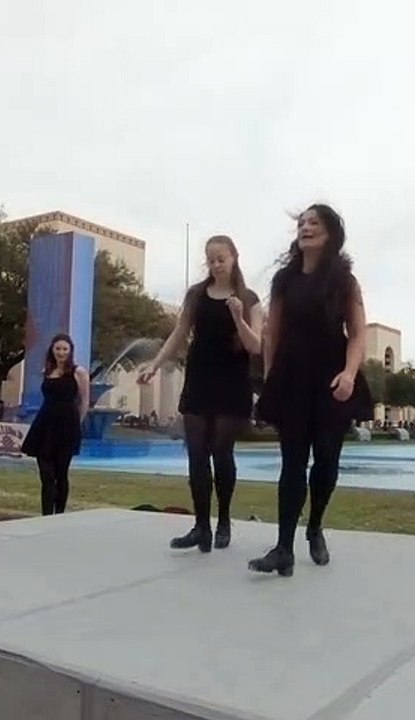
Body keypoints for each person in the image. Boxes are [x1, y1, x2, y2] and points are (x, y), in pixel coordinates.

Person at [250, 204, 374, 577]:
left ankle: (315, 526)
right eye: (301, 223)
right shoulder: (284, 280)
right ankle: (283, 547)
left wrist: (350, 374)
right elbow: (273, 334)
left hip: (333, 377)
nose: (305, 227)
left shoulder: (344, 280)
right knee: (291, 464)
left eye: (313, 223)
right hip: (292, 377)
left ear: (330, 233)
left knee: (326, 462)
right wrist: (271, 379)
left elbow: (358, 333)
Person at [138, 235, 263, 552]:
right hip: (200, 378)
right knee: (196, 454)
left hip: (232, 381)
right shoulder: (196, 295)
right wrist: (154, 364)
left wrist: (237, 316)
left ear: (234, 257)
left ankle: (223, 521)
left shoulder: (249, 299)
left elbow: (255, 346)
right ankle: (201, 526)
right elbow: (179, 333)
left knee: (222, 452)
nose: (216, 264)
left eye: (221, 258)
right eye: (211, 259)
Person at [21, 334, 89, 516]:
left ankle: (59, 513)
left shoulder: (78, 372)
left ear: (70, 351)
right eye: (58, 348)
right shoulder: (47, 371)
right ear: (52, 350)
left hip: (67, 426)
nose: (61, 352)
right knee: (46, 475)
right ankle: (46, 514)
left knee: (61, 473)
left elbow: (84, 401)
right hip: (45, 424)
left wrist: (78, 423)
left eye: (64, 349)